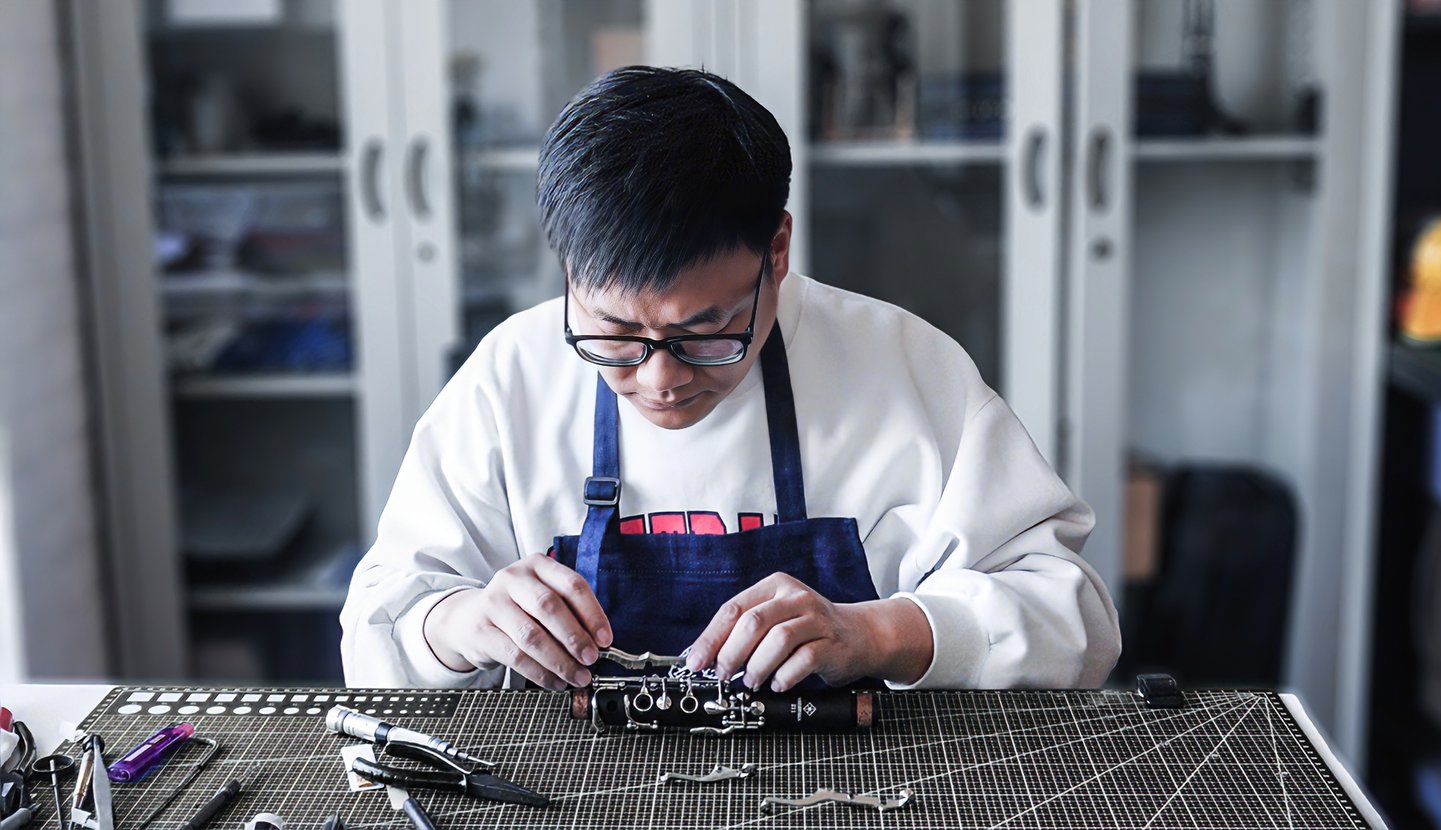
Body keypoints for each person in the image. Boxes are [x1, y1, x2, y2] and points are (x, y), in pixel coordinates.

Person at [340, 66, 1119, 693]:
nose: (660, 378)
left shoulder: (904, 368)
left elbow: (1074, 621)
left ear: (776, 252)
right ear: (569, 271)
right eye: (613, 334)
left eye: (705, 331)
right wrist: (461, 621)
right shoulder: (509, 377)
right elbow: (375, 627)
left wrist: (881, 632)